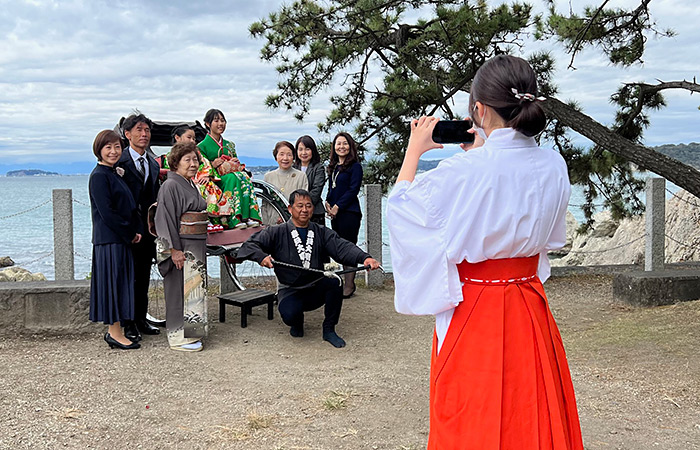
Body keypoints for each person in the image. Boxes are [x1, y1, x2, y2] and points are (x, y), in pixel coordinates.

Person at [386, 55, 583, 449]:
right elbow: (547, 236)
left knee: (472, 415)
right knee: (533, 408)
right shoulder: (553, 164)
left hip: (476, 307)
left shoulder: (467, 171)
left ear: (478, 110)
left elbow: (403, 210)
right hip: (529, 302)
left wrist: (414, 151)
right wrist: (477, 153)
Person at [238, 189, 380, 348]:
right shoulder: (276, 231)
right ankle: (297, 323)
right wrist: (261, 257)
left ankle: (329, 329)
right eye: (299, 206)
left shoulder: (320, 231)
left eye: (308, 206)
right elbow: (249, 245)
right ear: (290, 209)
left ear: (313, 208)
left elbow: (342, 247)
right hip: (290, 289)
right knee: (290, 315)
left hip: (315, 287)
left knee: (335, 282)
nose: (304, 210)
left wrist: (365, 258)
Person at [88, 130, 141, 350]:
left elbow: (127, 206)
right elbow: (107, 213)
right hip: (110, 240)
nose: (113, 151)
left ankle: (117, 331)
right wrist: (129, 233)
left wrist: (134, 230)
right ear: (99, 150)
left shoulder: (113, 173)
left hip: (119, 239)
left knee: (119, 284)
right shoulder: (99, 176)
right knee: (113, 285)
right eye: (108, 147)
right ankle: (114, 332)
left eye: (117, 147)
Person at [154, 141, 208, 352]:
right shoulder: (170, 185)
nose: (193, 164)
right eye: (187, 160)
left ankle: (193, 331)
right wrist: (173, 250)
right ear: (175, 163)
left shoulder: (190, 183)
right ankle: (177, 336)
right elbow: (164, 220)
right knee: (178, 289)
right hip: (181, 247)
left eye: (195, 159)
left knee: (193, 289)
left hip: (195, 247)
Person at [115, 113, 161, 341]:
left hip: (147, 230)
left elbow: (152, 198)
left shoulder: (152, 164)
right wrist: (127, 229)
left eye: (147, 131)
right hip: (126, 230)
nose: (144, 135)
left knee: (143, 276)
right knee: (128, 278)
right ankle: (128, 323)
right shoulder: (119, 162)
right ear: (127, 134)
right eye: (139, 130)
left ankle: (142, 319)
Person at [197, 109, 261, 229]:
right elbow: (201, 167)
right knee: (233, 177)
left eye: (223, 120)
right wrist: (213, 164)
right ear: (207, 123)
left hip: (231, 175)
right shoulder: (201, 146)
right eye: (216, 121)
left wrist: (234, 162)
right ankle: (233, 219)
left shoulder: (229, 144)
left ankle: (248, 216)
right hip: (216, 180)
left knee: (244, 176)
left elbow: (235, 162)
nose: (220, 124)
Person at [325, 132, 363, 298]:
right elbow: (332, 189)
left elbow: (353, 190)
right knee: (337, 248)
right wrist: (327, 202)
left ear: (350, 146)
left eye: (345, 143)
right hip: (335, 214)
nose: (342, 147)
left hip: (349, 213)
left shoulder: (355, 166)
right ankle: (338, 281)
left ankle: (349, 285)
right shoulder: (333, 167)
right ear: (334, 147)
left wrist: (338, 206)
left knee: (348, 247)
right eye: (338, 144)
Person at [263, 141, 308, 224]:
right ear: (276, 157)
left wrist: (287, 217)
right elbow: (265, 204)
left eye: (289, 155)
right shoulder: (268, 176)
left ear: (293, 157)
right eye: (281, 154)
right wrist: (265, 226)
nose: (285, 158)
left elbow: (302, 203)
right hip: (271, 225)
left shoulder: (301, 176)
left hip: (293, 224)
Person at [293, 135, 326, 224]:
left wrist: (302, 206)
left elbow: (316, 190)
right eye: (300, 149)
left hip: (315, 213)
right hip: (295, 214)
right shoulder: (293, 168)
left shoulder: (319, 168)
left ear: (313, 151)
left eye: (307, 149)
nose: (304, 152)